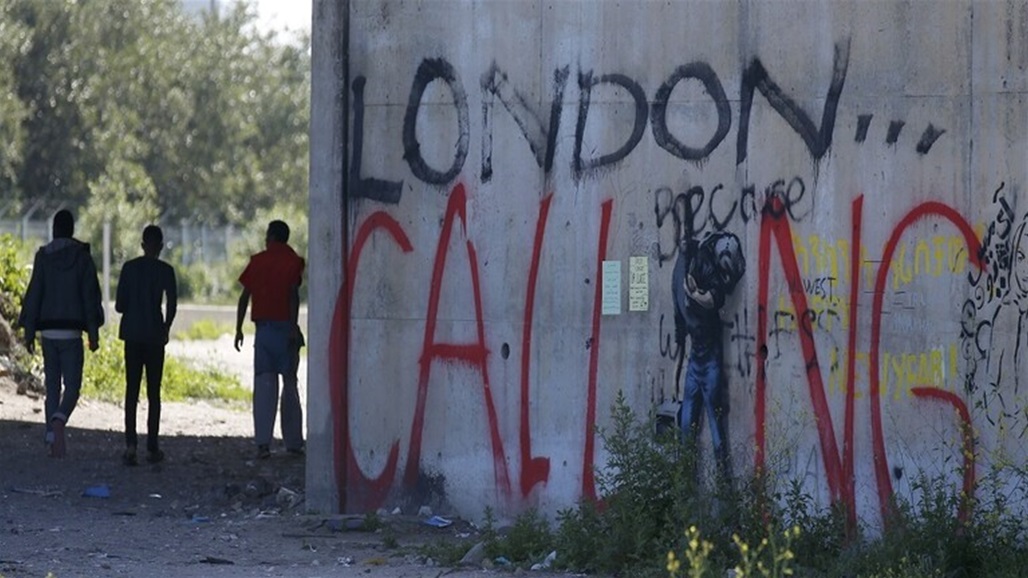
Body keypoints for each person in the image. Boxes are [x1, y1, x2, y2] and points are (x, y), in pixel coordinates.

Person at [18, 209, 104, 457]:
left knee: (52, 388)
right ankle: (60, 419)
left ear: (54, 230)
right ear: (72, 229)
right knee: (73, 387)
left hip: (48, 333)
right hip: (72, 334)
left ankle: (51, 438)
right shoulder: (82, 258)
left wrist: (29, 331)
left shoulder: (43, 257)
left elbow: (34, 294)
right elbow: (89, 297)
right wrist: (94, 333)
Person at [672, 229, 745, 484]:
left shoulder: (701, 264)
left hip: (707, 359)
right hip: (698, 360)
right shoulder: (685, 269)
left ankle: (719, 492)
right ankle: (687, 490)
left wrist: (692, 294)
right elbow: (681, 321)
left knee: (712, 431)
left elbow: (711, 299)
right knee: (689, 430)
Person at [234, 220, 305, 459]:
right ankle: (293, 442)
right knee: (290, 385)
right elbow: (292, 295)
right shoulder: (294, 262)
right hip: (286, 330)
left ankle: (263, 443)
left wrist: (238, 328)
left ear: (272, 237)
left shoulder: (257, 261)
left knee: (264, 386)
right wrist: (294, 326)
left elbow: (244, 297)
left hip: (263, 331)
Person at [115, 225, 177, 466]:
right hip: (154, 335)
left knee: (132, 390)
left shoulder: (129, 269)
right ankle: (152, 446)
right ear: (160, 246)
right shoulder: (166, 271)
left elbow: (119, 305)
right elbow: (172, 304)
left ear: (142, 245)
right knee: (154, 392)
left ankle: (131, 445)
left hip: (132, 334)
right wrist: (166, 327)